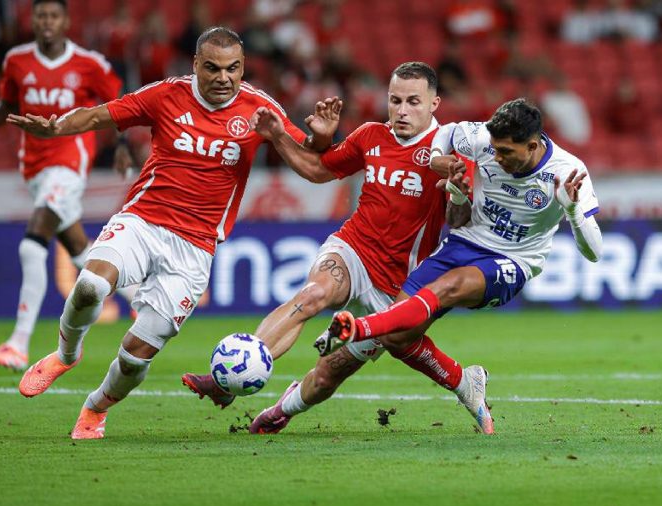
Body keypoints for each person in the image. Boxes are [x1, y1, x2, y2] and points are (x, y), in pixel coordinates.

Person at [7, 27, 340, 439]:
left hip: (195, 249)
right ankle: (65, 354)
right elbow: (100, 115)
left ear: (243, 68)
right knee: (92, 284)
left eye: (233, 68)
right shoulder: (167, 94)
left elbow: (311, 160)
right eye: (213, 68)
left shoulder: (259, 109)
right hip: (143, 222)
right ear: (196, 65)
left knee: (135, 357)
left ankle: (95, 407)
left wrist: (323, 138)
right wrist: (55, 129)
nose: (223, 77)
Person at [182, 61, 492, 435]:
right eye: (395, 100)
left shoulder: (450, 151)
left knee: (330, 375)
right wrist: (285, 136)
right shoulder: (370, 135)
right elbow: (317, 170)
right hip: (353, 249)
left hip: (397, 283)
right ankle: (230, 378)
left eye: (413, 102)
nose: (402, 110)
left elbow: (458, 221)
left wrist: (459, 190)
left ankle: (285, 408)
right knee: (313, 295)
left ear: (434, 104)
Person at [266, 98, 603, 435]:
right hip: (462, 244)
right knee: (397, 336)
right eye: (495, 150)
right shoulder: (481, 137)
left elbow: (594, 252)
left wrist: (572, 212)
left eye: (506, 153)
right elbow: (447, 135)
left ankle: (357, 328)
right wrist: (443, 163)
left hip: (511, 261)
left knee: (449, 287)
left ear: (532, 145)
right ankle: (465, 382)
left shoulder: (566, 172)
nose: (497, 158)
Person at [0, 0, 130, 371]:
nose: (47, 22)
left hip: (70, 161)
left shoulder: (89, 64)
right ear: (33, 20)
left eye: (54, 16)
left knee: (33, 241)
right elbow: (7, 102)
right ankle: (141, 298)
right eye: (41, 15)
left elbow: (118, 104)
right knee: (78, 249)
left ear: (66, 21)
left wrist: (121, 145)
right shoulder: (17, 61)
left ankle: (18, 343)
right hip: (35, 167)